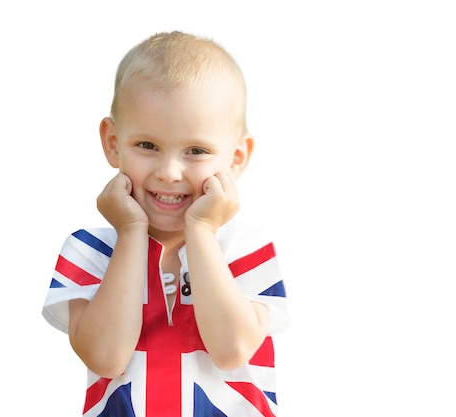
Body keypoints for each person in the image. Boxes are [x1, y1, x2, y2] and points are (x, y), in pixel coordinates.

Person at [42, 30, 289, 417]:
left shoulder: (245, 246)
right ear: (112, 142)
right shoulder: (89, 250)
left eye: (196, 151)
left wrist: (203, 232)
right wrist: (130, 233)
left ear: (237, 158)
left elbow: (232, 350)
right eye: (147, 146)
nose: (170, 172)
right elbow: (105, 357)